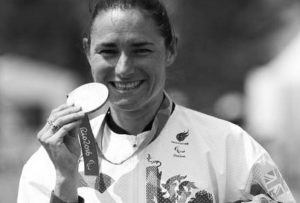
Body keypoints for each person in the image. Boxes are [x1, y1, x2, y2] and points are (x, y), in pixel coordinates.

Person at [17, 0, 296, 202]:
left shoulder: (230, 146)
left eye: (141, 50)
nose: (124, 68)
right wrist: (65, 178)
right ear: (87, 51)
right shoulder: (48, 164)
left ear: (170, 49)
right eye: (108, 51)